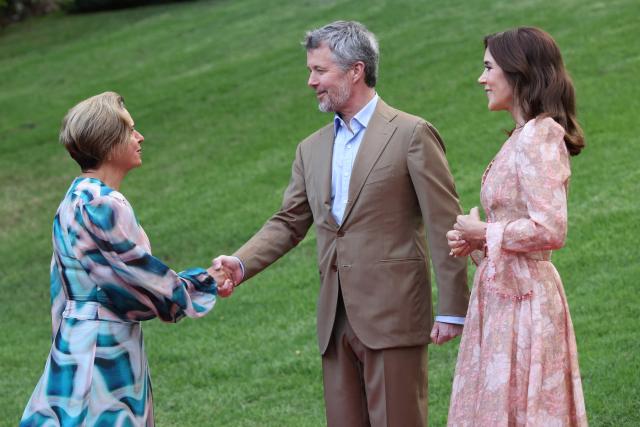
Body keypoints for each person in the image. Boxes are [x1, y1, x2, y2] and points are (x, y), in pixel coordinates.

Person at [213, 21, 469, 426]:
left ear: (356, 70)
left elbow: (445, 222)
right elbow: (288, 221)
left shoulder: (411, 134)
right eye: (310, 70)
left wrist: (454, 308)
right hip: (334, 321)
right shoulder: (310, 149)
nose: (311, 81)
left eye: (320, 70)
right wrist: (240, 263)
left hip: (394, 313)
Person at [20, 92, 234, 426]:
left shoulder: (71, 200)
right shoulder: (104, 204)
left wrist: (63, 346)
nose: (140, 137)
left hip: (73, 345)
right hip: (105, 351)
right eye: (130, 130)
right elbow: (140, 283)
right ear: (108, 143)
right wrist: (205, 281)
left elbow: (60, 291)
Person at [446, 27, 588, 426]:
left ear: (518, 72)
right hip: (505, 298)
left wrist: (484, 233)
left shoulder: (539, 136)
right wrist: (475, 241)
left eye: (489, 68)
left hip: (525, 302)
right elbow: (513, 230)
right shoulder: (521, 137)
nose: (482, 78)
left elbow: (551, 229)